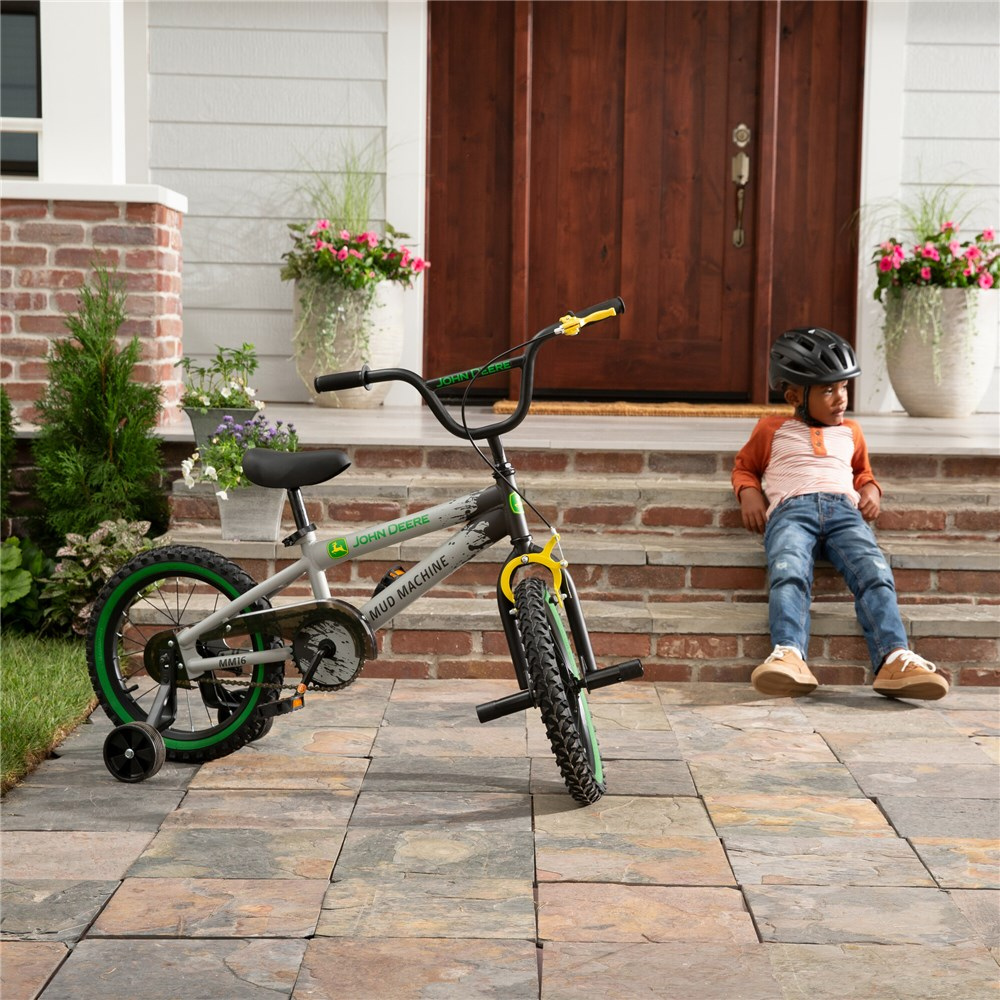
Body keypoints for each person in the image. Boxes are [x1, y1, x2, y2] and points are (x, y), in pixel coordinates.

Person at [731, 327, 949, 700]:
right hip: (790, 513)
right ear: (795, 395)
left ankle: (894, 657)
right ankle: (789, 655)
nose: (840, 398)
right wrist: (749, 494)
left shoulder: (852, 432)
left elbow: (863, 472)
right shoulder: (771, 429)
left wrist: (871, 491)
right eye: (828, 390)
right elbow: (744, 467)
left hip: (845, 513)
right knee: (788, 571)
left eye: (843, 387)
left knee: (875, 573)